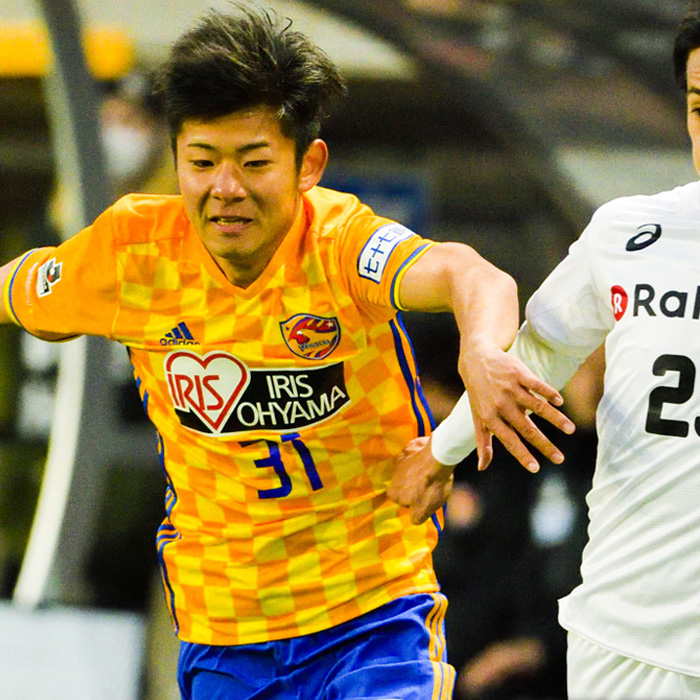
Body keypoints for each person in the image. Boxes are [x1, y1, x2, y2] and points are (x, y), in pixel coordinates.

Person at [0, 6, 572, 699]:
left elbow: (471, 275)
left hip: (373, 614)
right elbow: (19, 287)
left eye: (254, 163)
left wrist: (480, 350)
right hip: (225, 630)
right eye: (202, 162)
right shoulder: (130, 253)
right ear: (176, 159)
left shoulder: (342, 244)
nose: (226, 189)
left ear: (309, 165)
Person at [390, 4, 700, 698]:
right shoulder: (627, 233)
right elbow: (535, 356)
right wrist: (442, 451)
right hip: (624, 639)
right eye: (699, 105)